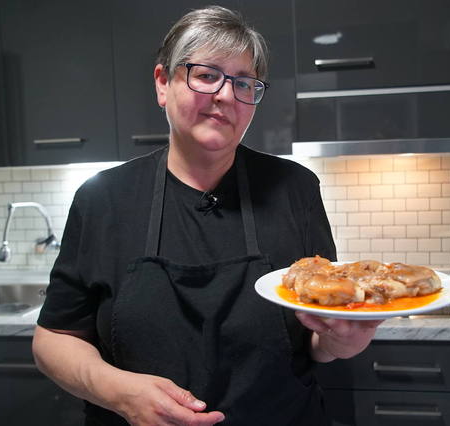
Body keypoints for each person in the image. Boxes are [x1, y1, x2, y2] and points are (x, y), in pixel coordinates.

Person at [32, 6, 382, 426]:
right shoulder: (103, 199)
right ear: (163, 83)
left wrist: (341, 341)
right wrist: (117, 392)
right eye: (206, 74)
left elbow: (314, 338)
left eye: (243, 82)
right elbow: (54, 337)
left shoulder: (295, 190)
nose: (226, 95)